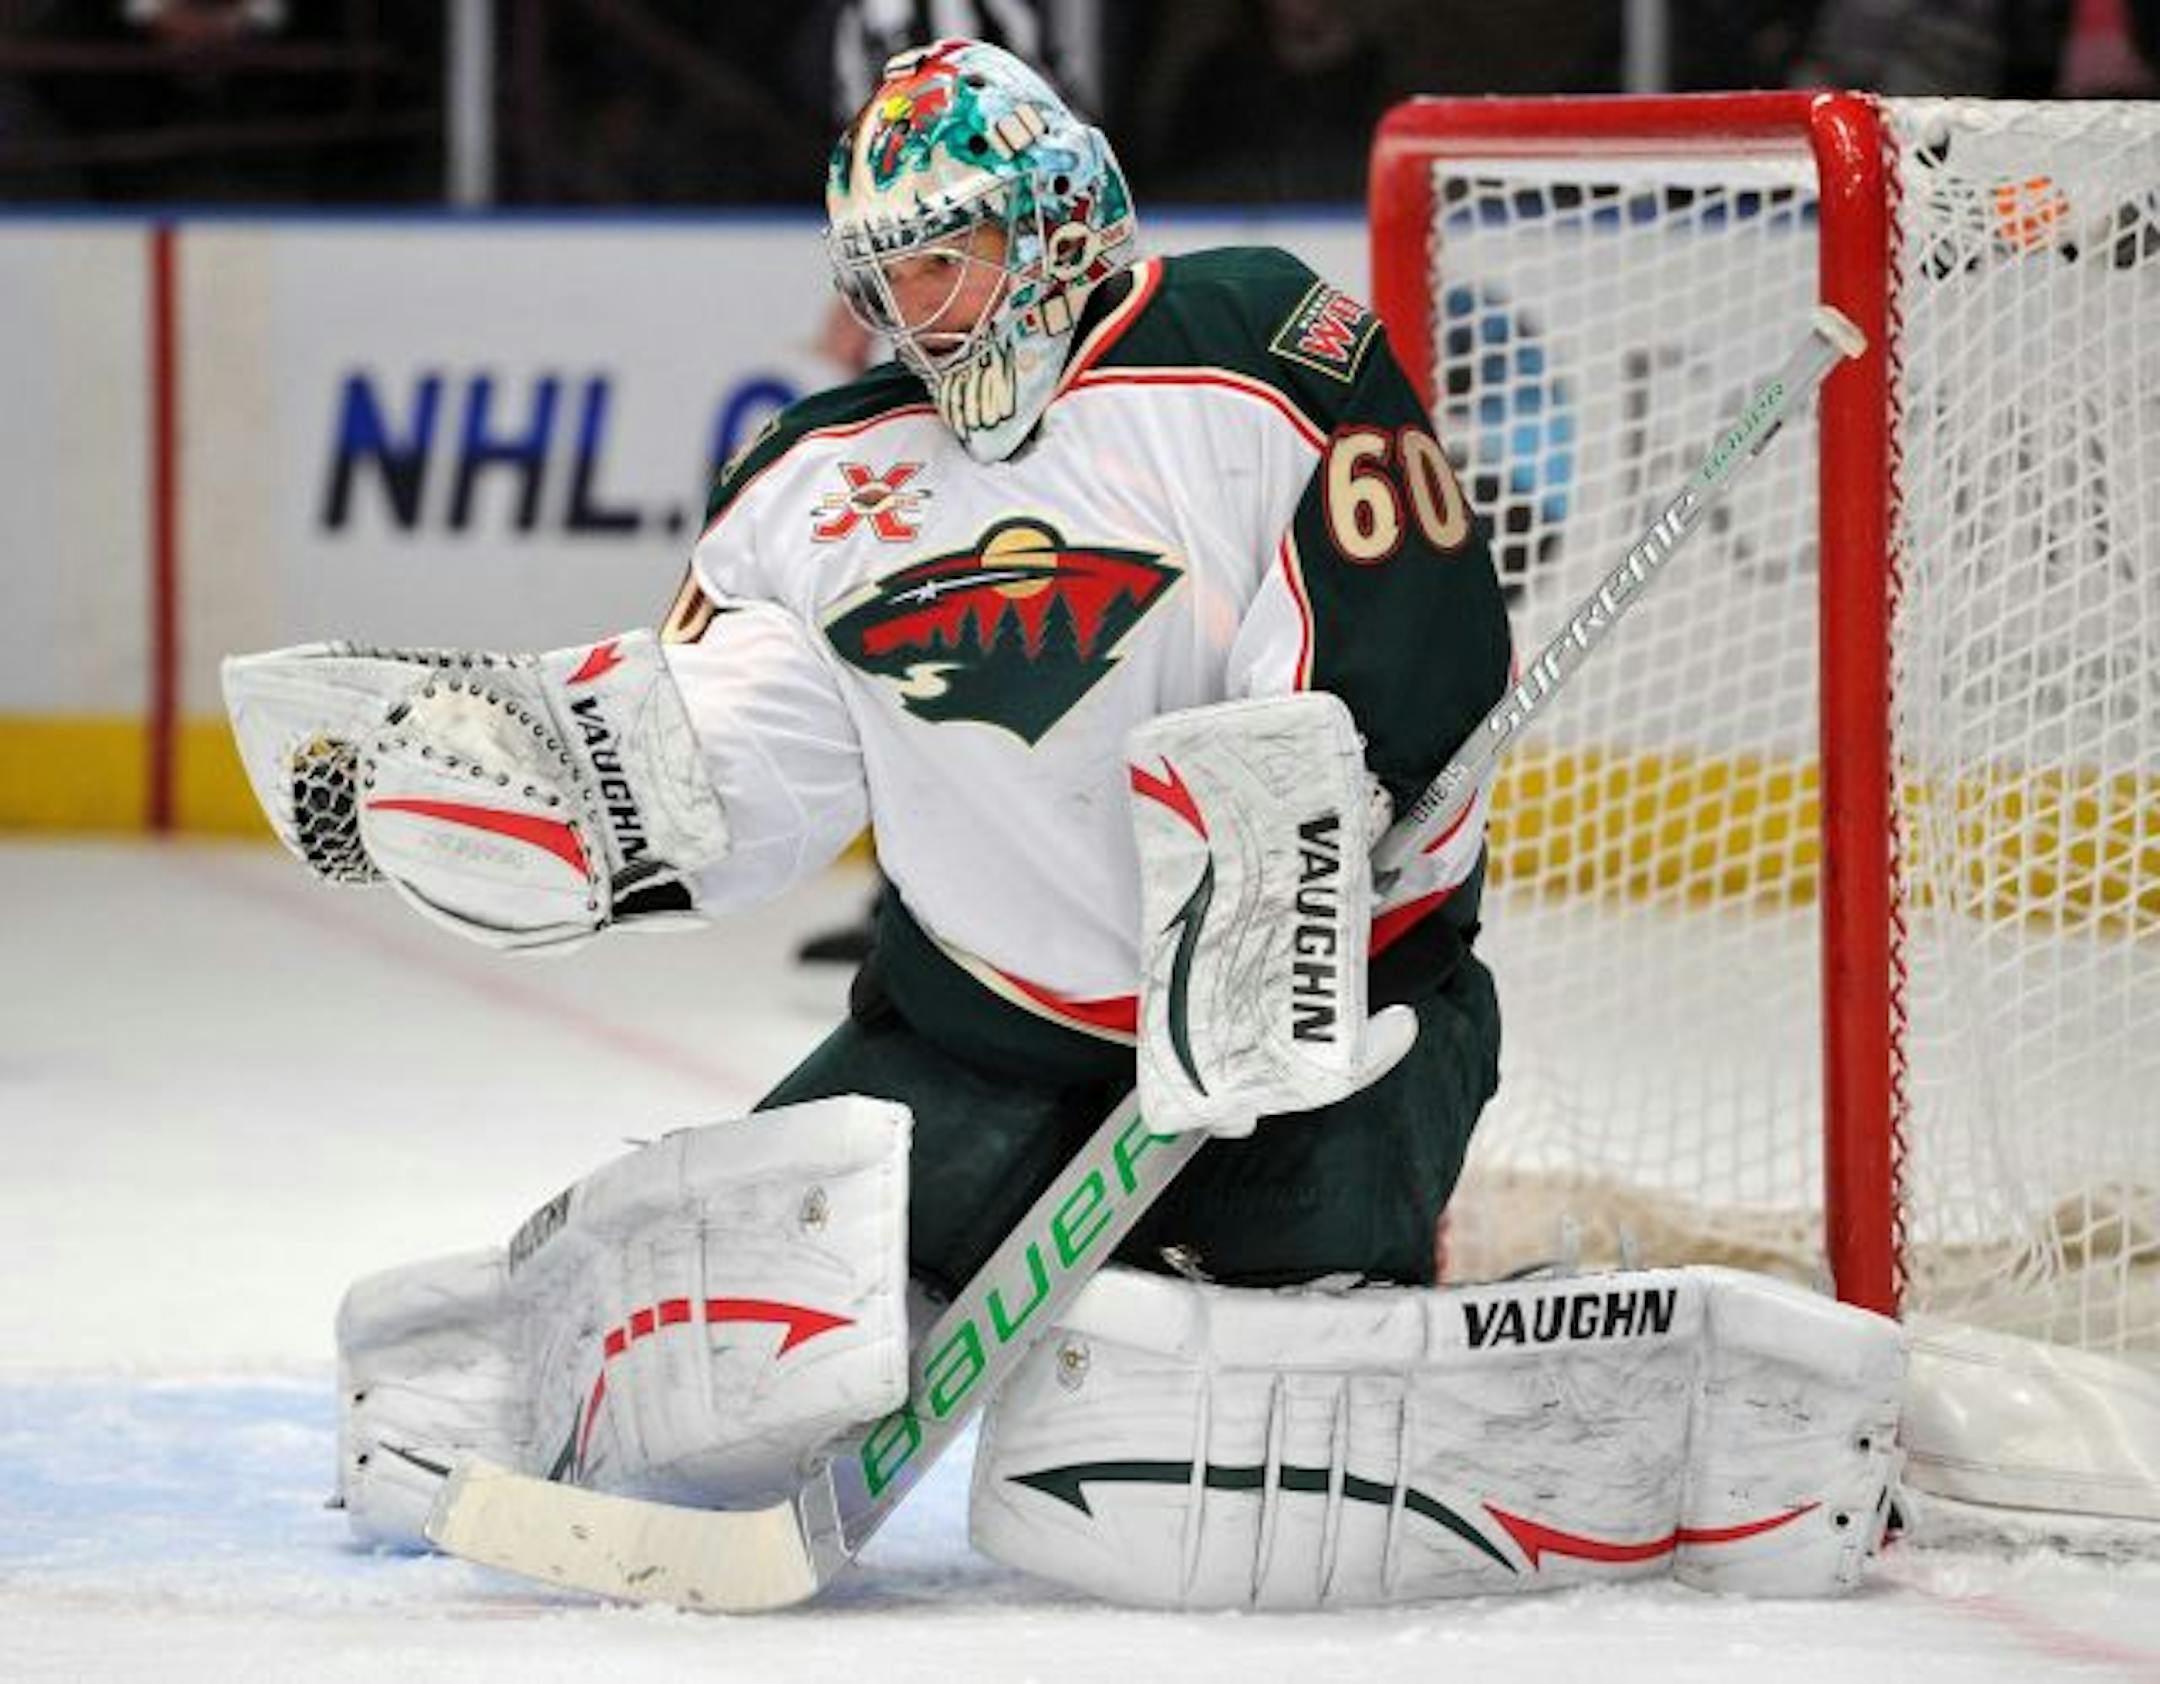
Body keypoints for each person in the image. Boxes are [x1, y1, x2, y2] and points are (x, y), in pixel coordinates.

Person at [223, 38, 1905, 1609]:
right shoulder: (811, 478)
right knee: (739, 1295)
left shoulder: (1262, 348)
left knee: (1227, 1389)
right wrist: (588, 788)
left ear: (1057, 225)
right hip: (980, 1037)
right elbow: (751, 753)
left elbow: (1407, 637)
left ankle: (1636, 1415)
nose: (914, 314)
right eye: (883, 279)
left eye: (942, 261)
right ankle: (491, 1382)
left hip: (1320, 1045)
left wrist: (1277, 880)